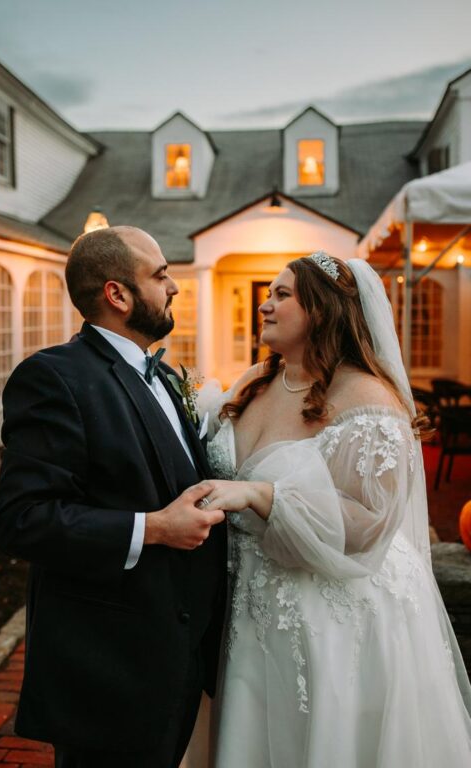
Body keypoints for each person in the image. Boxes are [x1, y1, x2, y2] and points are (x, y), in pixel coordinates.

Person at [198, 253, 471, 766]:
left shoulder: (369, 401)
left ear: (321, 312)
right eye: (269, 294)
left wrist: (265, 497)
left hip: (330, 618)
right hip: (247, 607)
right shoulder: (257, 379)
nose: (265, 305)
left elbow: (366, 527)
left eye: (281, 295)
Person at [0, 226, 227, 768]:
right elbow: (20, 519)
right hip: (110, 673)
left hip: (179, 660)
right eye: (161, 275)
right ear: (118, 295)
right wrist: (154, 528)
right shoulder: (53, 377)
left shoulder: (166, 376)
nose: (174, 287)